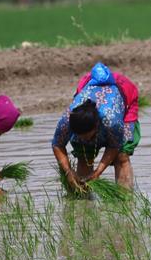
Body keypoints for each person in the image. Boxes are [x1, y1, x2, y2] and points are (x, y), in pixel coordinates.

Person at [52, 62, 140, 191]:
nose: (87, 140)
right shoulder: (67, 119)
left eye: (89, 136)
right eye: (82, 136)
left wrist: (98, 172)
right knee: (84, 155)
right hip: (91, 92)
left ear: (98, 126)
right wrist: (68, 172)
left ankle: (125, 197)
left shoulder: (111, 120)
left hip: (124, 95)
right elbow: (57, 144)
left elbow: (114, 146)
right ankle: (83, 197)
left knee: (121, 156)